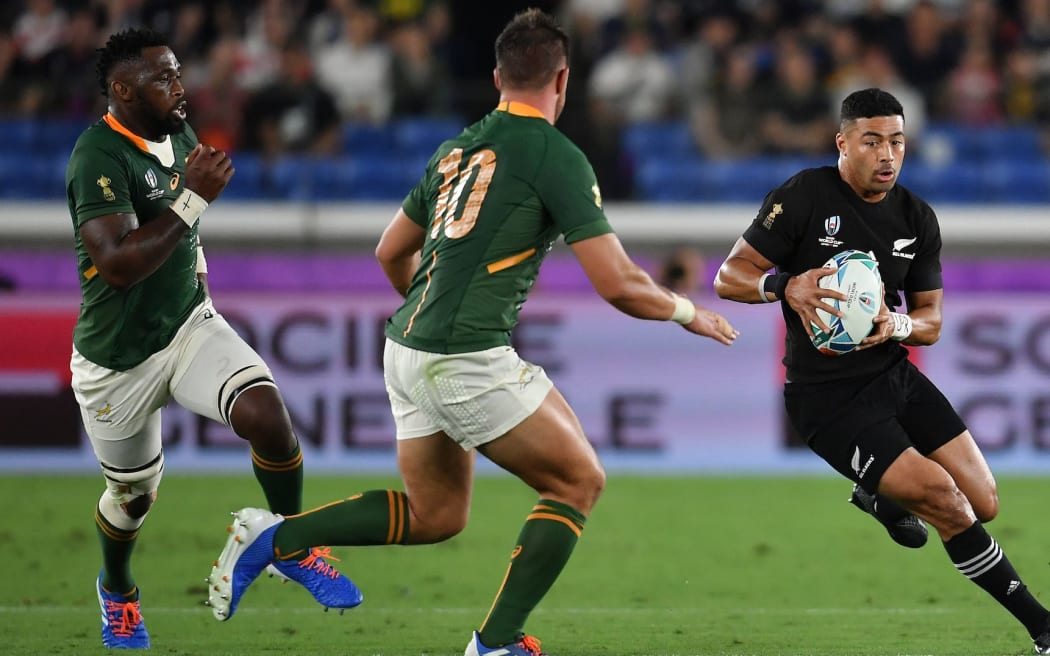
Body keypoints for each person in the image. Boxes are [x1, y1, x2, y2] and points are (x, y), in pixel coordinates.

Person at [205, 9, 738, 656]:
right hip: (461, 356)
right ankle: (495, 644)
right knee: (577, 482)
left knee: (436, 515)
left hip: (404, 349)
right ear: (562, 79)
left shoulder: (456, 148)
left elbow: (388, 251)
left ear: (496, 78)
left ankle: (273, 537)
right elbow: (619, 283)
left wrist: (430, 311)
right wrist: (690, 313)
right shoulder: (555, 155)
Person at [712, 87, 1050, 654]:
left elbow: (931, 320)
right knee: (946, 502)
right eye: (872, 141)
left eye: (896, 141)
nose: (887, 154)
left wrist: (896, 326)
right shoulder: (803, 196)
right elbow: (728, 276)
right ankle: (1042, 626)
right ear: (843, 143)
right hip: (826, 399)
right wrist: (782, 285)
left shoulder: (916, 217)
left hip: (892, 375)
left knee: (984, 502)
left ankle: (881, 496)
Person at [65, 28, 361, 650]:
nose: (179, 88)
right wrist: (194, 198)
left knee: (268, 415)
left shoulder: (180, 136)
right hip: (116, 359)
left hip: (189, 325)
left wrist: (198, 273)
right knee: (133, 498)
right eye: (162, 78)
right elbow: (117, 264)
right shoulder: (97, 155)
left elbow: (186, 229)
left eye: (177, 73)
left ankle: (290, 543)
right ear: (122, 90)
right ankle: (117, 591)